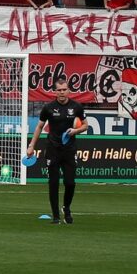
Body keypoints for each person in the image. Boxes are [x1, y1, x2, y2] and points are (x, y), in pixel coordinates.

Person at [31, 79, 88, 223]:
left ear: (69, 90)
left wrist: (75, 131)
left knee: (70, 183)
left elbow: (86, 126)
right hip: (53, 149)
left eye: (64, 89)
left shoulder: (77, 107)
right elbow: (39, 127)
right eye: (59, 90)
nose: (62, 92)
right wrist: (32, 145)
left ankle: (66, 208)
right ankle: (56, 216)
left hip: (69, 150)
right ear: (55, 92)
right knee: (53, 183)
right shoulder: (48, 108)